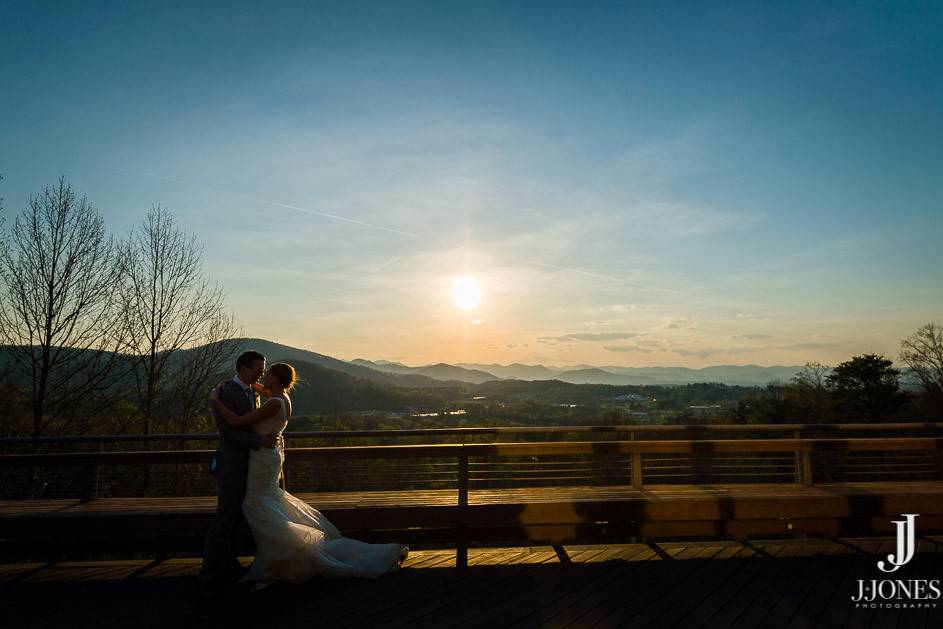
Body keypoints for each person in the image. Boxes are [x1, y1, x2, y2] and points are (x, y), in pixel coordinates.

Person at [208, 361, 408, 591]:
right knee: (266, 502)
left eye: (268, 373)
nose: (263, 376)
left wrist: (215, 399)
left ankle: (286, 555)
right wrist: (242, 382)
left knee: (255, 505)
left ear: (275, 379)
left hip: (263, 458)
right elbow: (258, 388)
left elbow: (235, 422)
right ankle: (275, 559)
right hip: (270, 456)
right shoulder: (283, 398)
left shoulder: (273, 403)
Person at [199, 350, 282, 596]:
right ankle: (209, 575)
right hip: (232, 464)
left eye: (263, 369)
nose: (262, 373)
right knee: (225, 517)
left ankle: (229, 565)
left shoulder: (249, 390)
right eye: (258, 369)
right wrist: (259, 441)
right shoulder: (228, 392)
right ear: (243, 369)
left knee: (238, 517)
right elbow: (229, 432)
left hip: (250, 464)